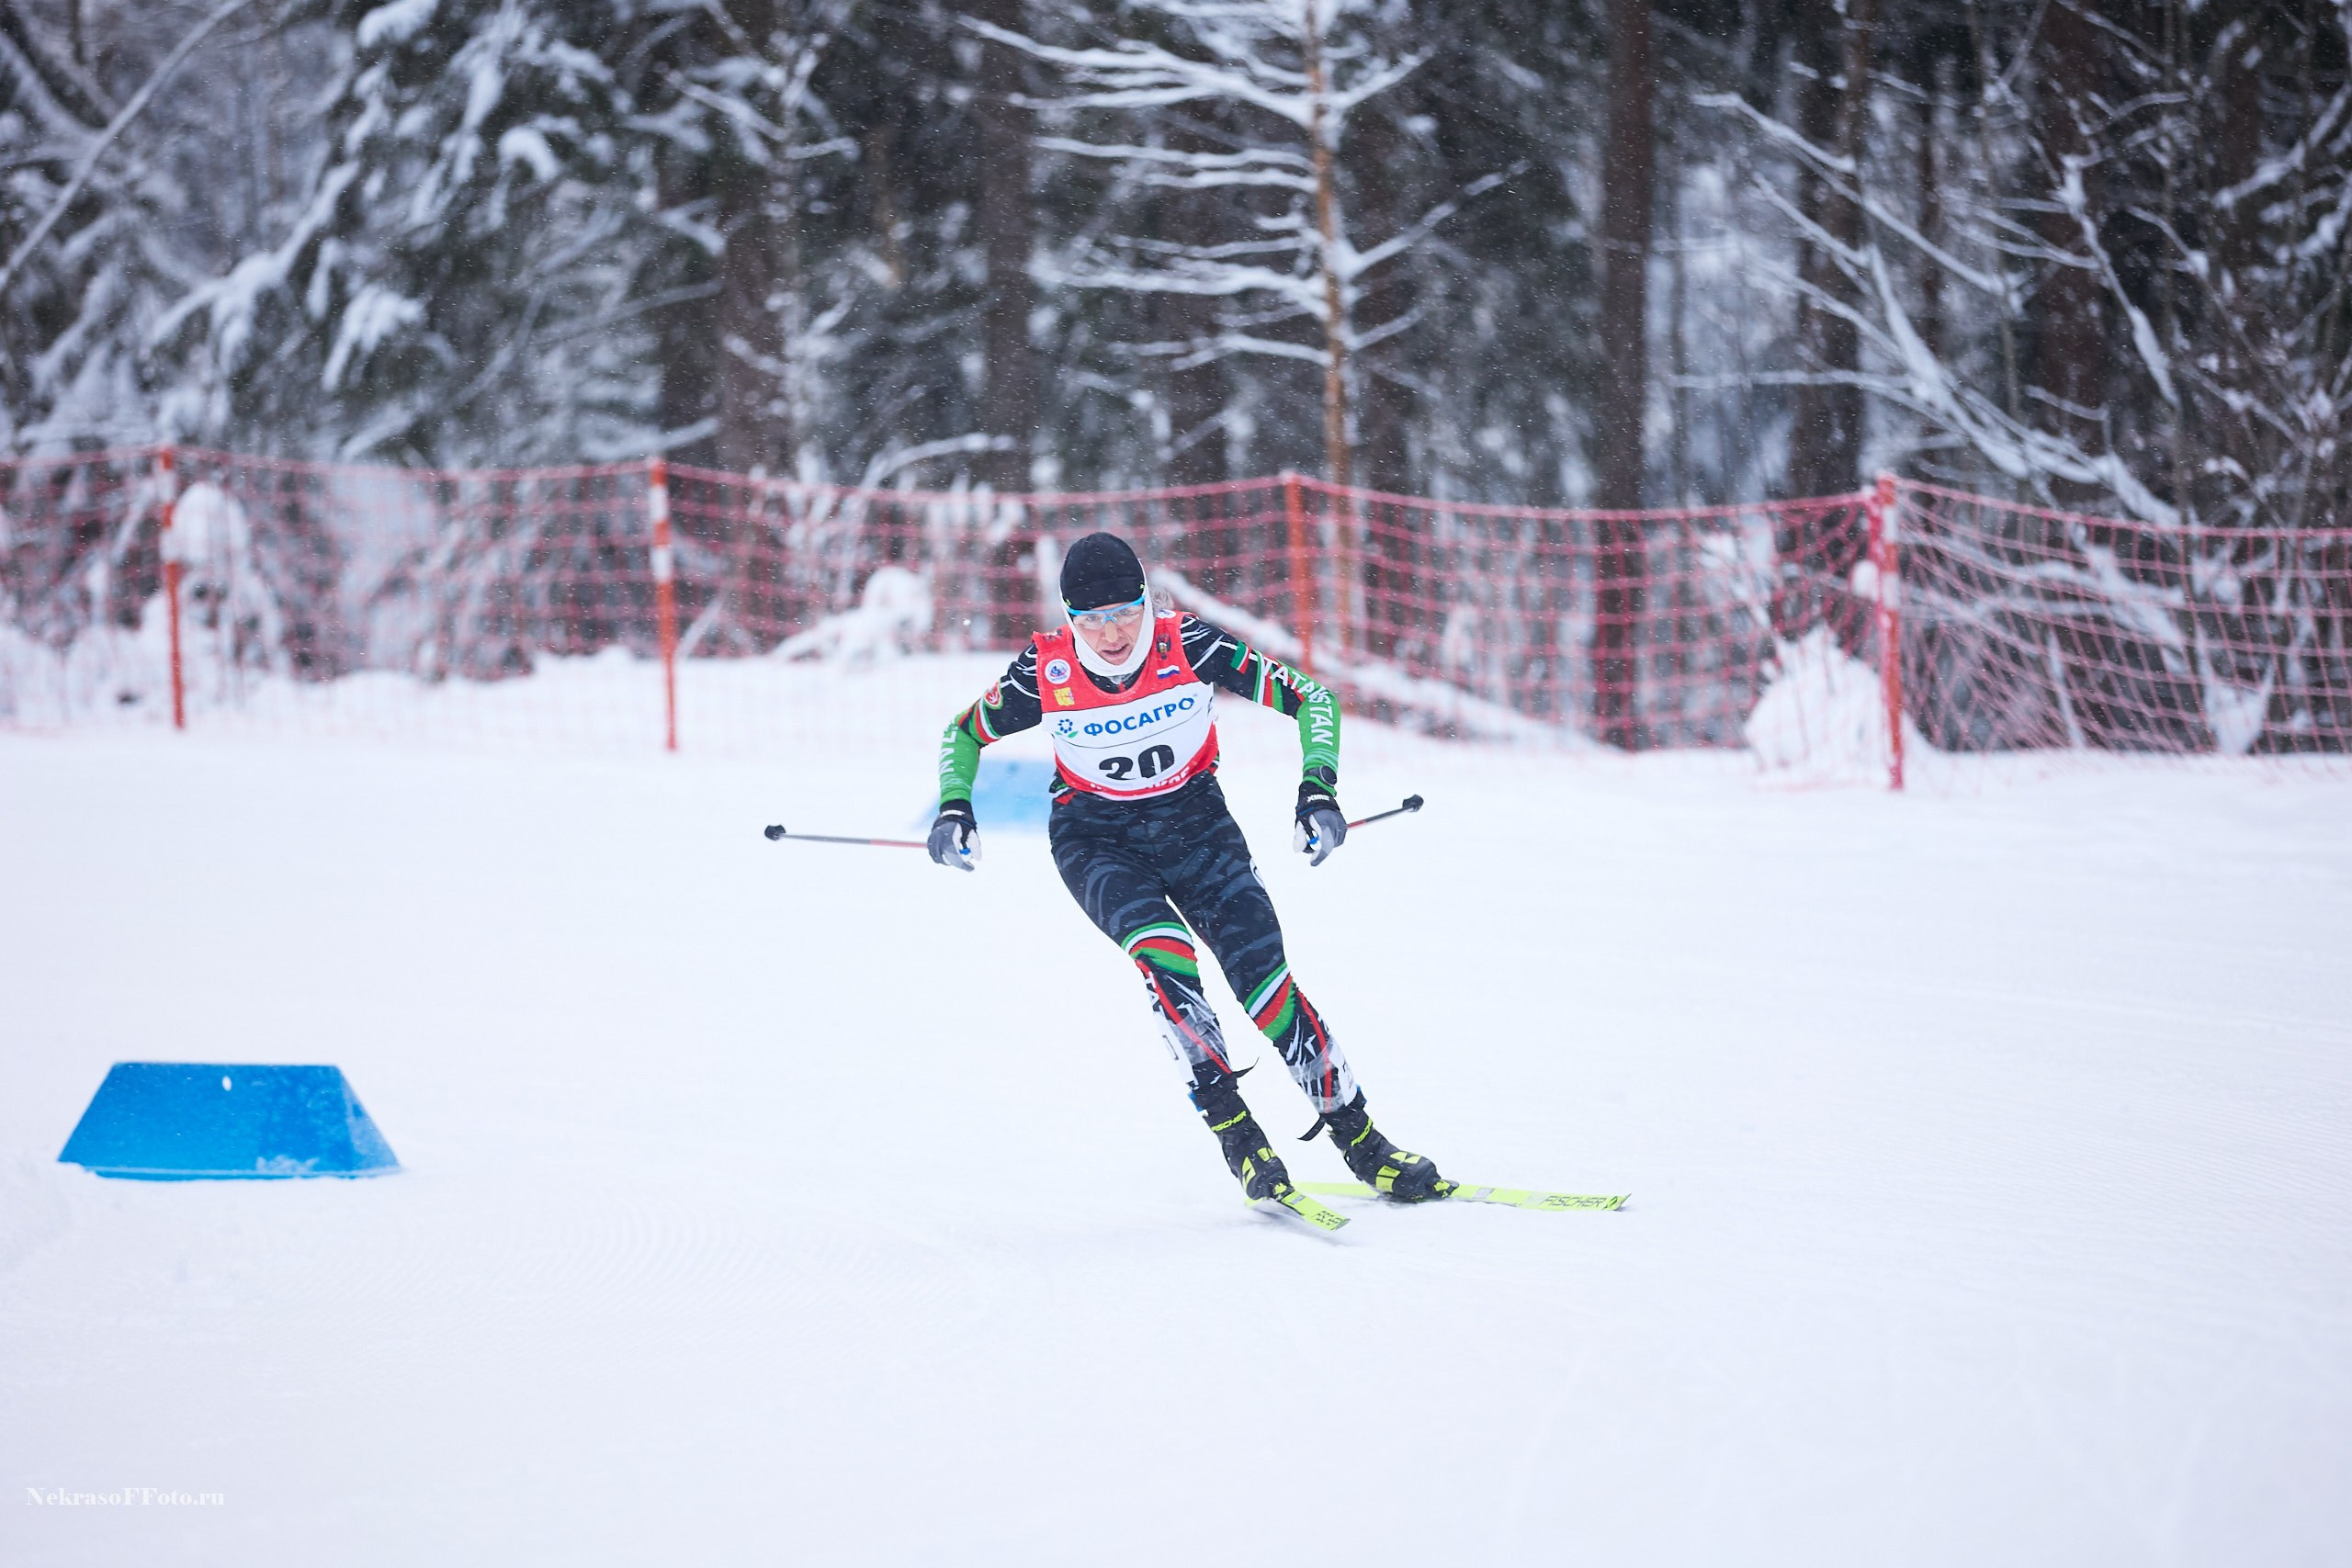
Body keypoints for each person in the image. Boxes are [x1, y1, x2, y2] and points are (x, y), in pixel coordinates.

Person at [928, 531, 1448, 1206]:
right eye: (1088, 618)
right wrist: (954, 807)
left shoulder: (1188, 645)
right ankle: (1240, 1139)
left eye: (1123, 611)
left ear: (1146, 601)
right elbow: (963, 733)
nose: (1109, 633)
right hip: (1097, 840)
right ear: (1067, 616)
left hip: (1198, 828)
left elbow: (1312, 700)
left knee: (1266, 983)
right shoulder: (1047, 670)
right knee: (1166, 958)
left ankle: (1365, 1144)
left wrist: (1317, 789)